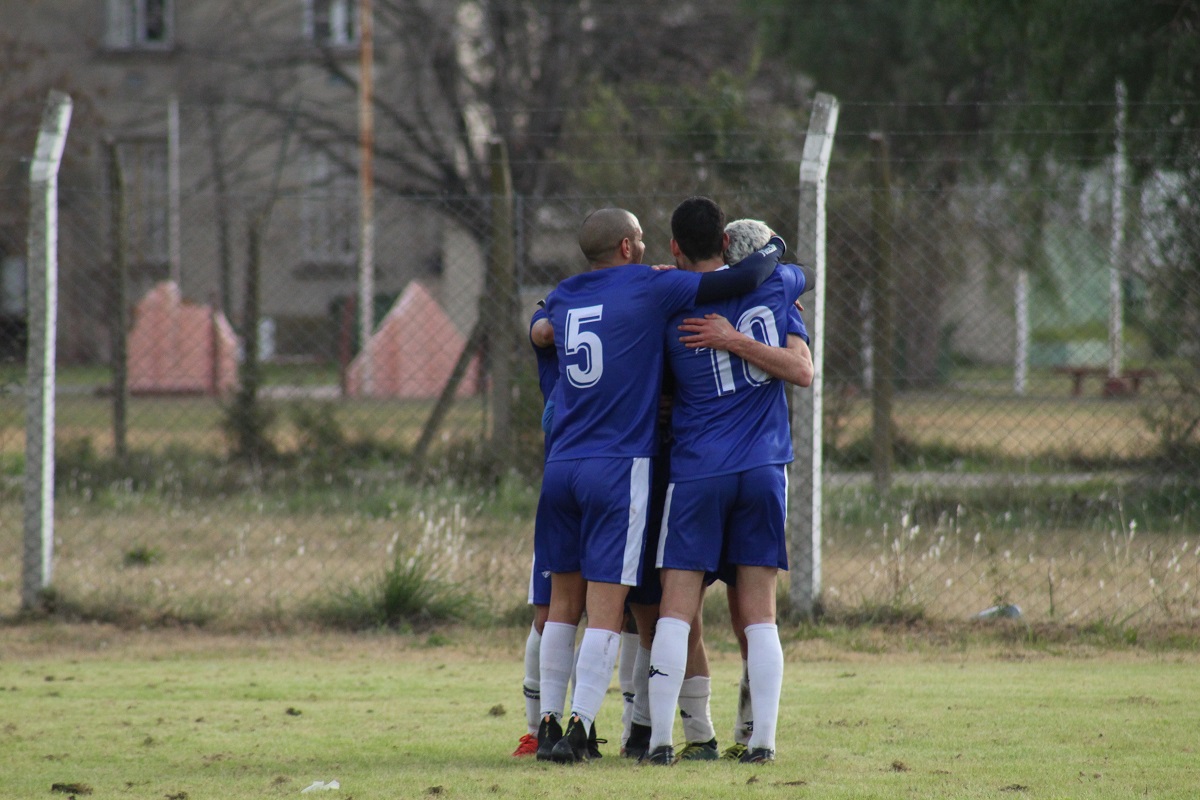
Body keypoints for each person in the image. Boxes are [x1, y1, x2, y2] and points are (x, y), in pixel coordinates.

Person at [534, 206, 785, 764]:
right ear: (628, 247)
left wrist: (537, 322)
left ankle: (552, 724)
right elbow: (744, 282)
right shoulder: (656, 289)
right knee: (629, 609)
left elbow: (541, 328)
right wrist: (776, 249)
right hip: (630, 466)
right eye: (639, 240)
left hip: (565, 465)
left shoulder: (565, 294)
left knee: (562, 606)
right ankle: (593, 729)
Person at [645, 203, 814, 766]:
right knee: (760, 611)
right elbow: (792, 266)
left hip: (697, 470)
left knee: (676, 607)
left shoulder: (670, 306)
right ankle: (762, 743)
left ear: (673, 248)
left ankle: (663, 743)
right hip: (764, 467)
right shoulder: (779, 284)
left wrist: (723, 338)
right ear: (724, 237)